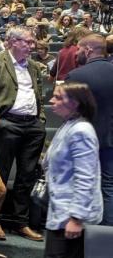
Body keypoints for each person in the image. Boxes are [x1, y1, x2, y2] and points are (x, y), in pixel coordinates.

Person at [0, 25, 45, 241]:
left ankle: (20, 223)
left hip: (33, 126)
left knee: (27, 176)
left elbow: (38, 96)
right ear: (12, 41)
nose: (31, 46)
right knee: (2, 174)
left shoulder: (34, 66)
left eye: (32, 42)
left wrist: (41, 120)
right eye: (27, 41)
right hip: (7, 123)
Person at [43, 82, 103, 258]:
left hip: (71, 216)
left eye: (58, 97)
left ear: (75, 103)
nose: (52, 101)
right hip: (61, 211)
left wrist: (76, 218)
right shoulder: (69, 124)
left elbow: (86, 178)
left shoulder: (81, 131)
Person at [66, 33, 113, 225]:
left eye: (78, 49)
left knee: (80, 184)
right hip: (111, 140)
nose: (76, 53)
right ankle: (106, 240)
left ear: (88, 50)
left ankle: (78, 234)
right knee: (109, 188)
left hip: (83, 141)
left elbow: (68, 112)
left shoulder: (76, 75)